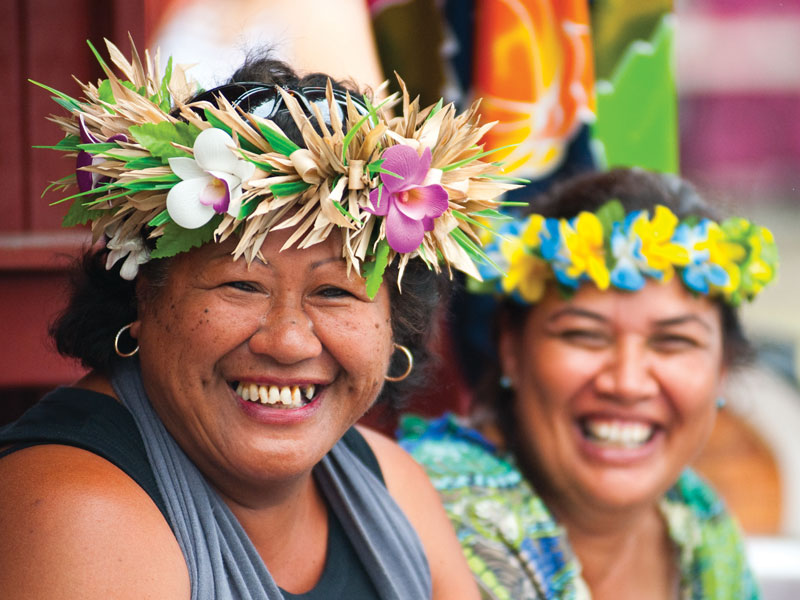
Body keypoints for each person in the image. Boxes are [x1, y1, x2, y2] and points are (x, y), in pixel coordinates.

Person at [0, 39, 516, 599]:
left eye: (335, 292)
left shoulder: (394, 489)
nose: (289, 341)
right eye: (241, 284)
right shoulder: (76, 513)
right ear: (141, 297)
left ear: (397, 325)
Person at [400, 168, 778, 599]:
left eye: (674, 342)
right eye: (584, 335)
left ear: (721, 369)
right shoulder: (441, 511)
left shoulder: (697, 518)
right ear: (511, 349)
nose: (627, 382)